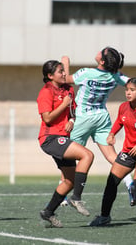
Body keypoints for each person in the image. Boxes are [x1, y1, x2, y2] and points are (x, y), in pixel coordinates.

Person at [61, 47, 136, 206]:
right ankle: (129, 183)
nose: (98, 51)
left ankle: (64, 194)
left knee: (68, 155)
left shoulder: (86, 73)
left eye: (101, 52)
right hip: (101, 117)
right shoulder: (115, 76)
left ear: (102, 61)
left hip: (83, 118)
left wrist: (65, 63)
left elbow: (64, 80)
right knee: (112, 156)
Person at [89, 78, 136, 227]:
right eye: (127, 90)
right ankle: (104, 217)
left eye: (132, 90)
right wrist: (111, 134)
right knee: (111, 182)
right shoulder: (124, 107)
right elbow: (119, 121)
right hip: (128, 151)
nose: (128, 93)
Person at [37, 60, 94, 228]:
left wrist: (71, 119)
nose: (64, 74)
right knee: (87, 155)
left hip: (62, 137)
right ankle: (76, 198)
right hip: (50, 139)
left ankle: (48, 212)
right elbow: (47, 118)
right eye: (60, 71)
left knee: (69, 180)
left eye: (64, 71)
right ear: (50, 76)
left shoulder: (68, 90)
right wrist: (63, 104)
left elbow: (72, 111)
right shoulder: (46, 92)